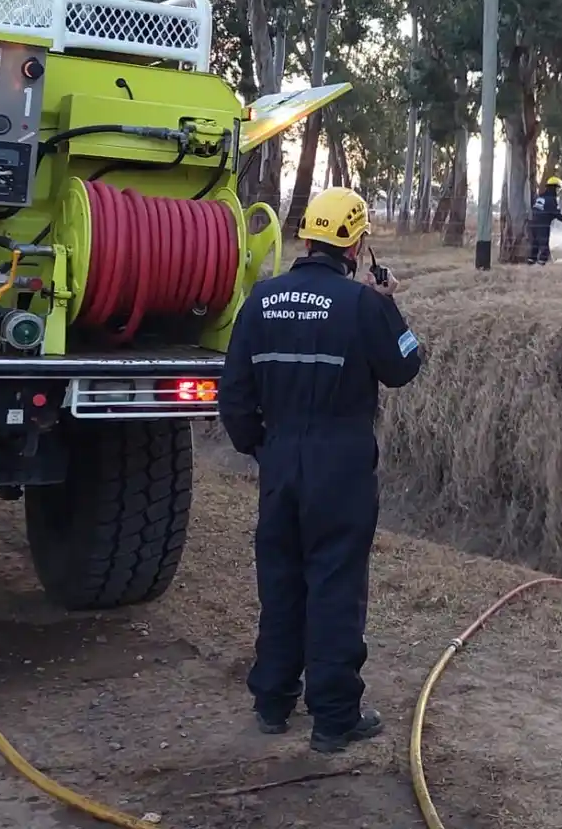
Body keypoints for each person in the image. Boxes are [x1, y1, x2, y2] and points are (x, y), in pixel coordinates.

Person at [218, 186, 425, 755]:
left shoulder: (261, 300)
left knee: (281, 580)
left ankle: (272, 703)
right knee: (335, 584)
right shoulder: (361, 305)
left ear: (306, 235)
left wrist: (262, 448)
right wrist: (387, 304)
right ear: (354, 244)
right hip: (341, 466)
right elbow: (405, 365)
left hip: (280, 459)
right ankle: (334, 719)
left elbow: (233, 396)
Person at [527, 176, 562, 265]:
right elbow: (556, 214)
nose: (557, 191)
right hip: (542, 225)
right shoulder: (551, 199)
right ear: (553, 188)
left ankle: (531, 262)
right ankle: (541, 264)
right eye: (557, 189)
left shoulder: (540, 197)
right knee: (544, 246)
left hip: (533, 224)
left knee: (535, 245)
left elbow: (548, 212)